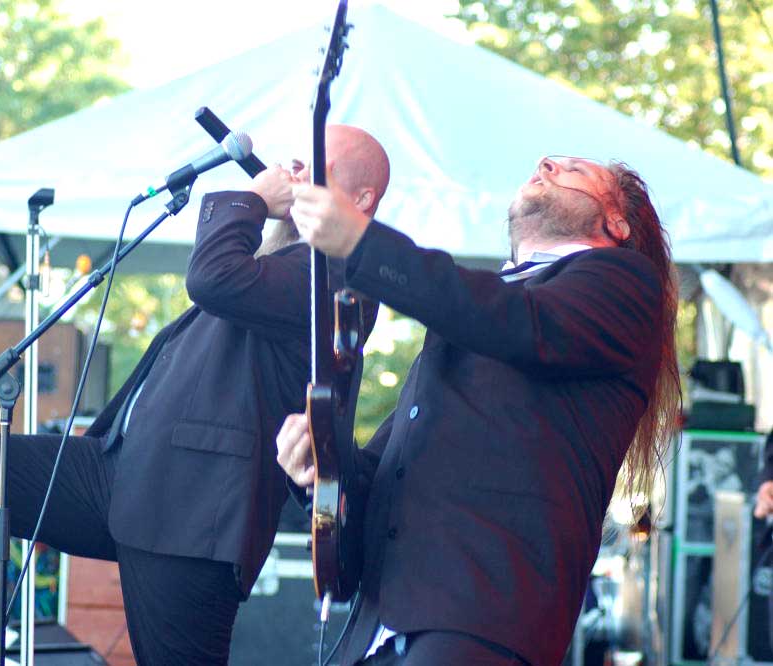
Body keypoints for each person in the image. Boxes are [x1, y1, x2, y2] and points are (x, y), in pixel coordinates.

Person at [0, 124, 390, 665]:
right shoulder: (283, 264)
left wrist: (251, 200)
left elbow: (212, 278)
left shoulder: (340, 279)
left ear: (361, 199)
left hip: (191, 515)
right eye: (297, 159)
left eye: (317, 166)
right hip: (117, 471)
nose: (296, 172)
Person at [276, 155, 681, 665]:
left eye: (574, 170)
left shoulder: (623, 282)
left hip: (481, 616)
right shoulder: (473, 314)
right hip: (384, 624)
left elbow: (516, 320)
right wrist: (321, 468)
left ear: (616, 224)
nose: (545, 163)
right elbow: (381, 479)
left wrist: (361, 242)